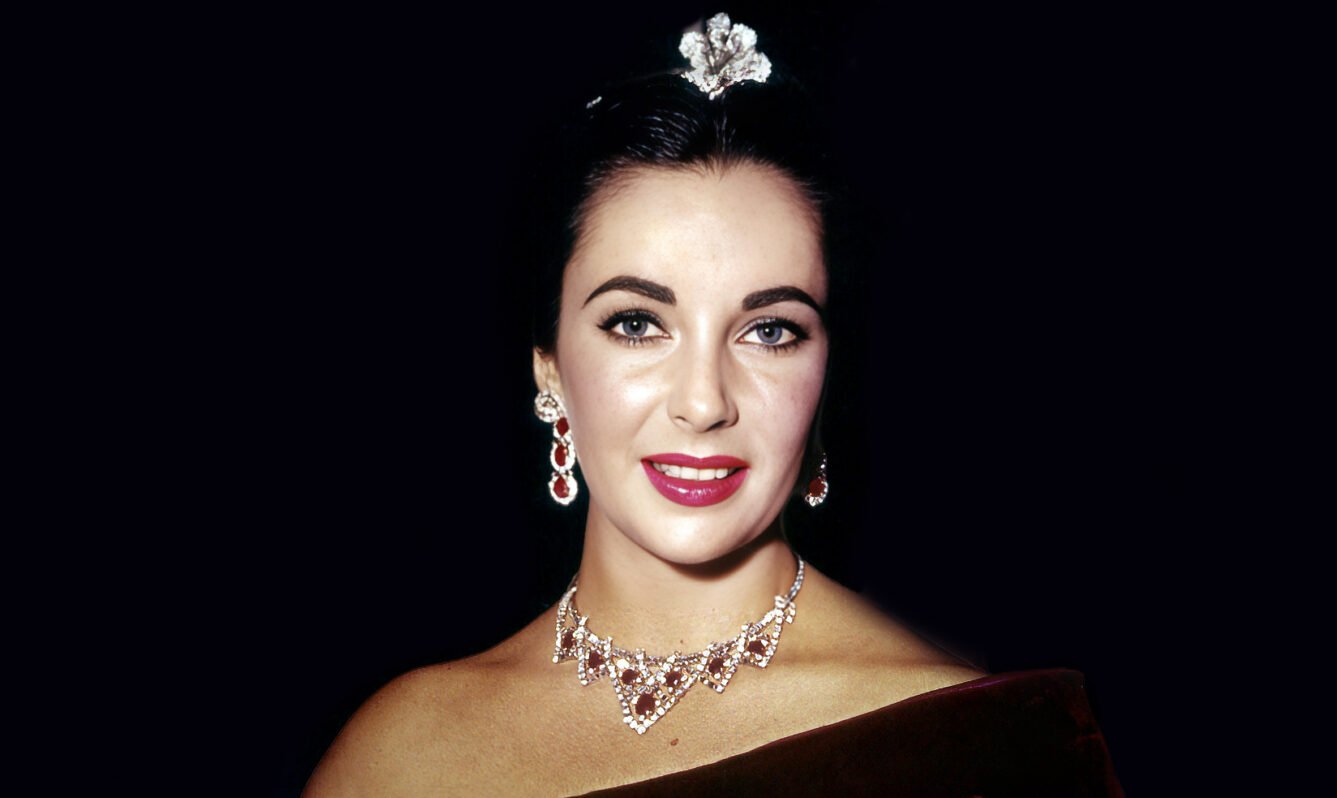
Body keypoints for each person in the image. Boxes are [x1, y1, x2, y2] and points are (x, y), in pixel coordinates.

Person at [304, 13, 1122, 797]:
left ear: (826, 372)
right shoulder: (404, 752)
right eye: (636, 324)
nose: (703, 403)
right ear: (548, 367)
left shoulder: (972, 746)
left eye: (769, 331)